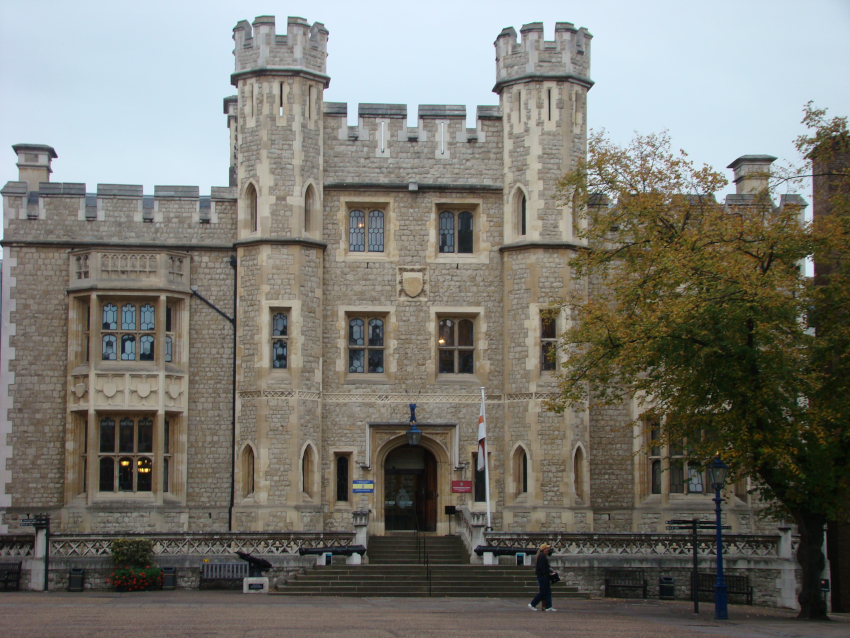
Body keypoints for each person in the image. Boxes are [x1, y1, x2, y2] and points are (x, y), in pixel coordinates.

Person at [528, 543, 558, 612]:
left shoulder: (542, 556)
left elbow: (545, 568)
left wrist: (551, 571)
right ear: (544, 549)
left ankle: (548, 606)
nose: (548, 549)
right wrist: (548, 573)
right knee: (543, 592)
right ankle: (532, 604)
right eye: (547, 548)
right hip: (543, 577)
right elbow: (542, 568)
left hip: (544, 576)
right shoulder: (541, 557)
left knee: (547, 592)